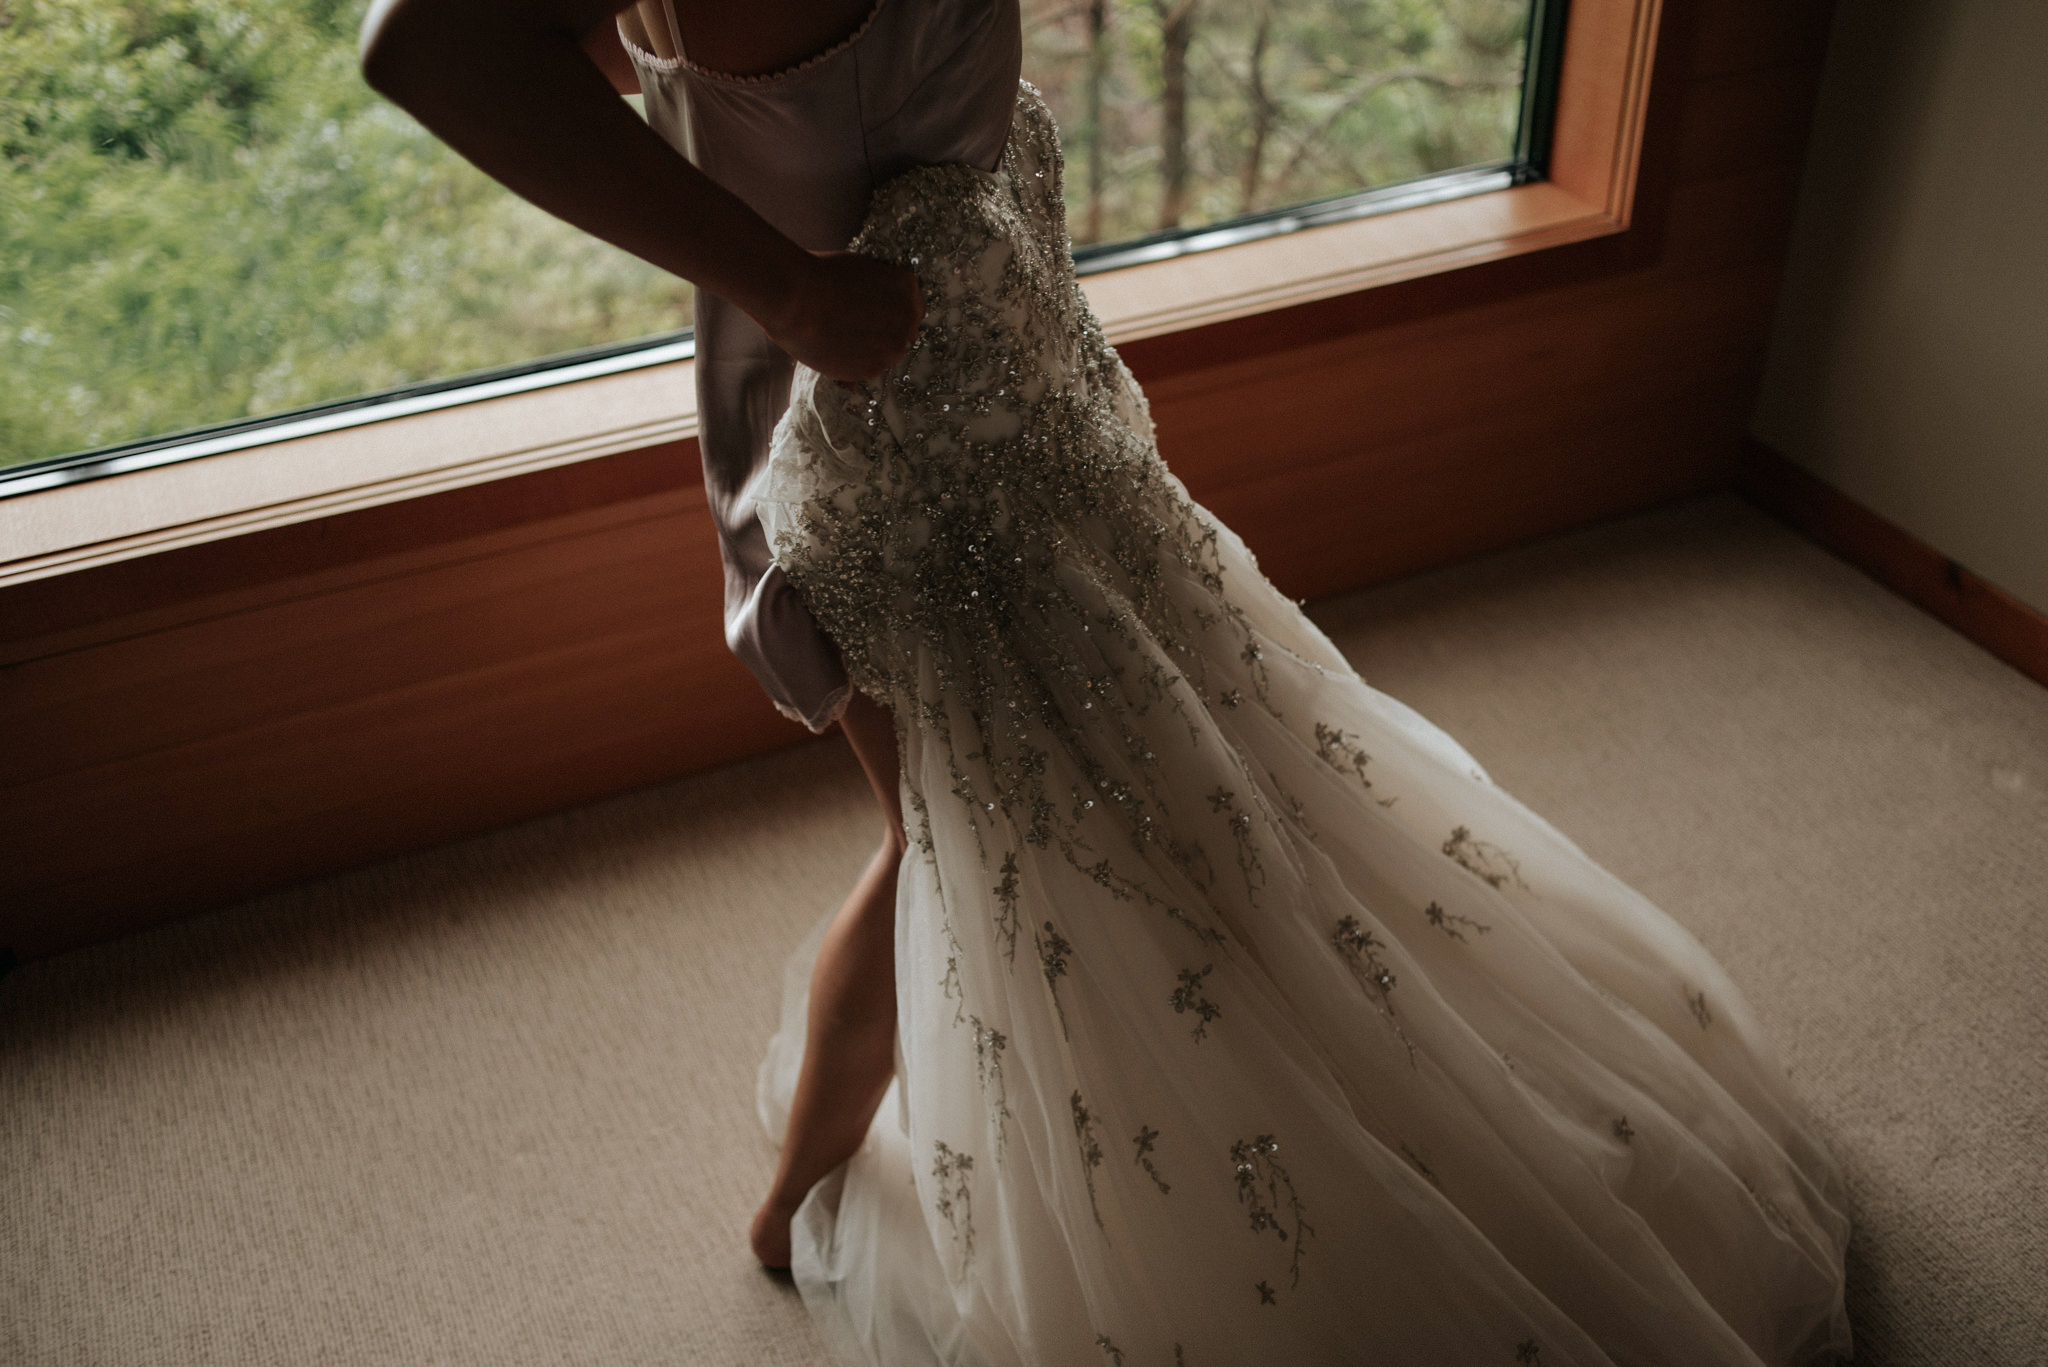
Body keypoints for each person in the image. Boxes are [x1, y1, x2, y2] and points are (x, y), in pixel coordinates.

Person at [360, 2, 1854, 1362]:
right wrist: (778, 271)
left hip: (1036, 415)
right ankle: (790, 1200)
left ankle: (844, 1184)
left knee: (1192, 782)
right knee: (962, 846)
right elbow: (422, 43)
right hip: (880, 483)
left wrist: (689, 105)